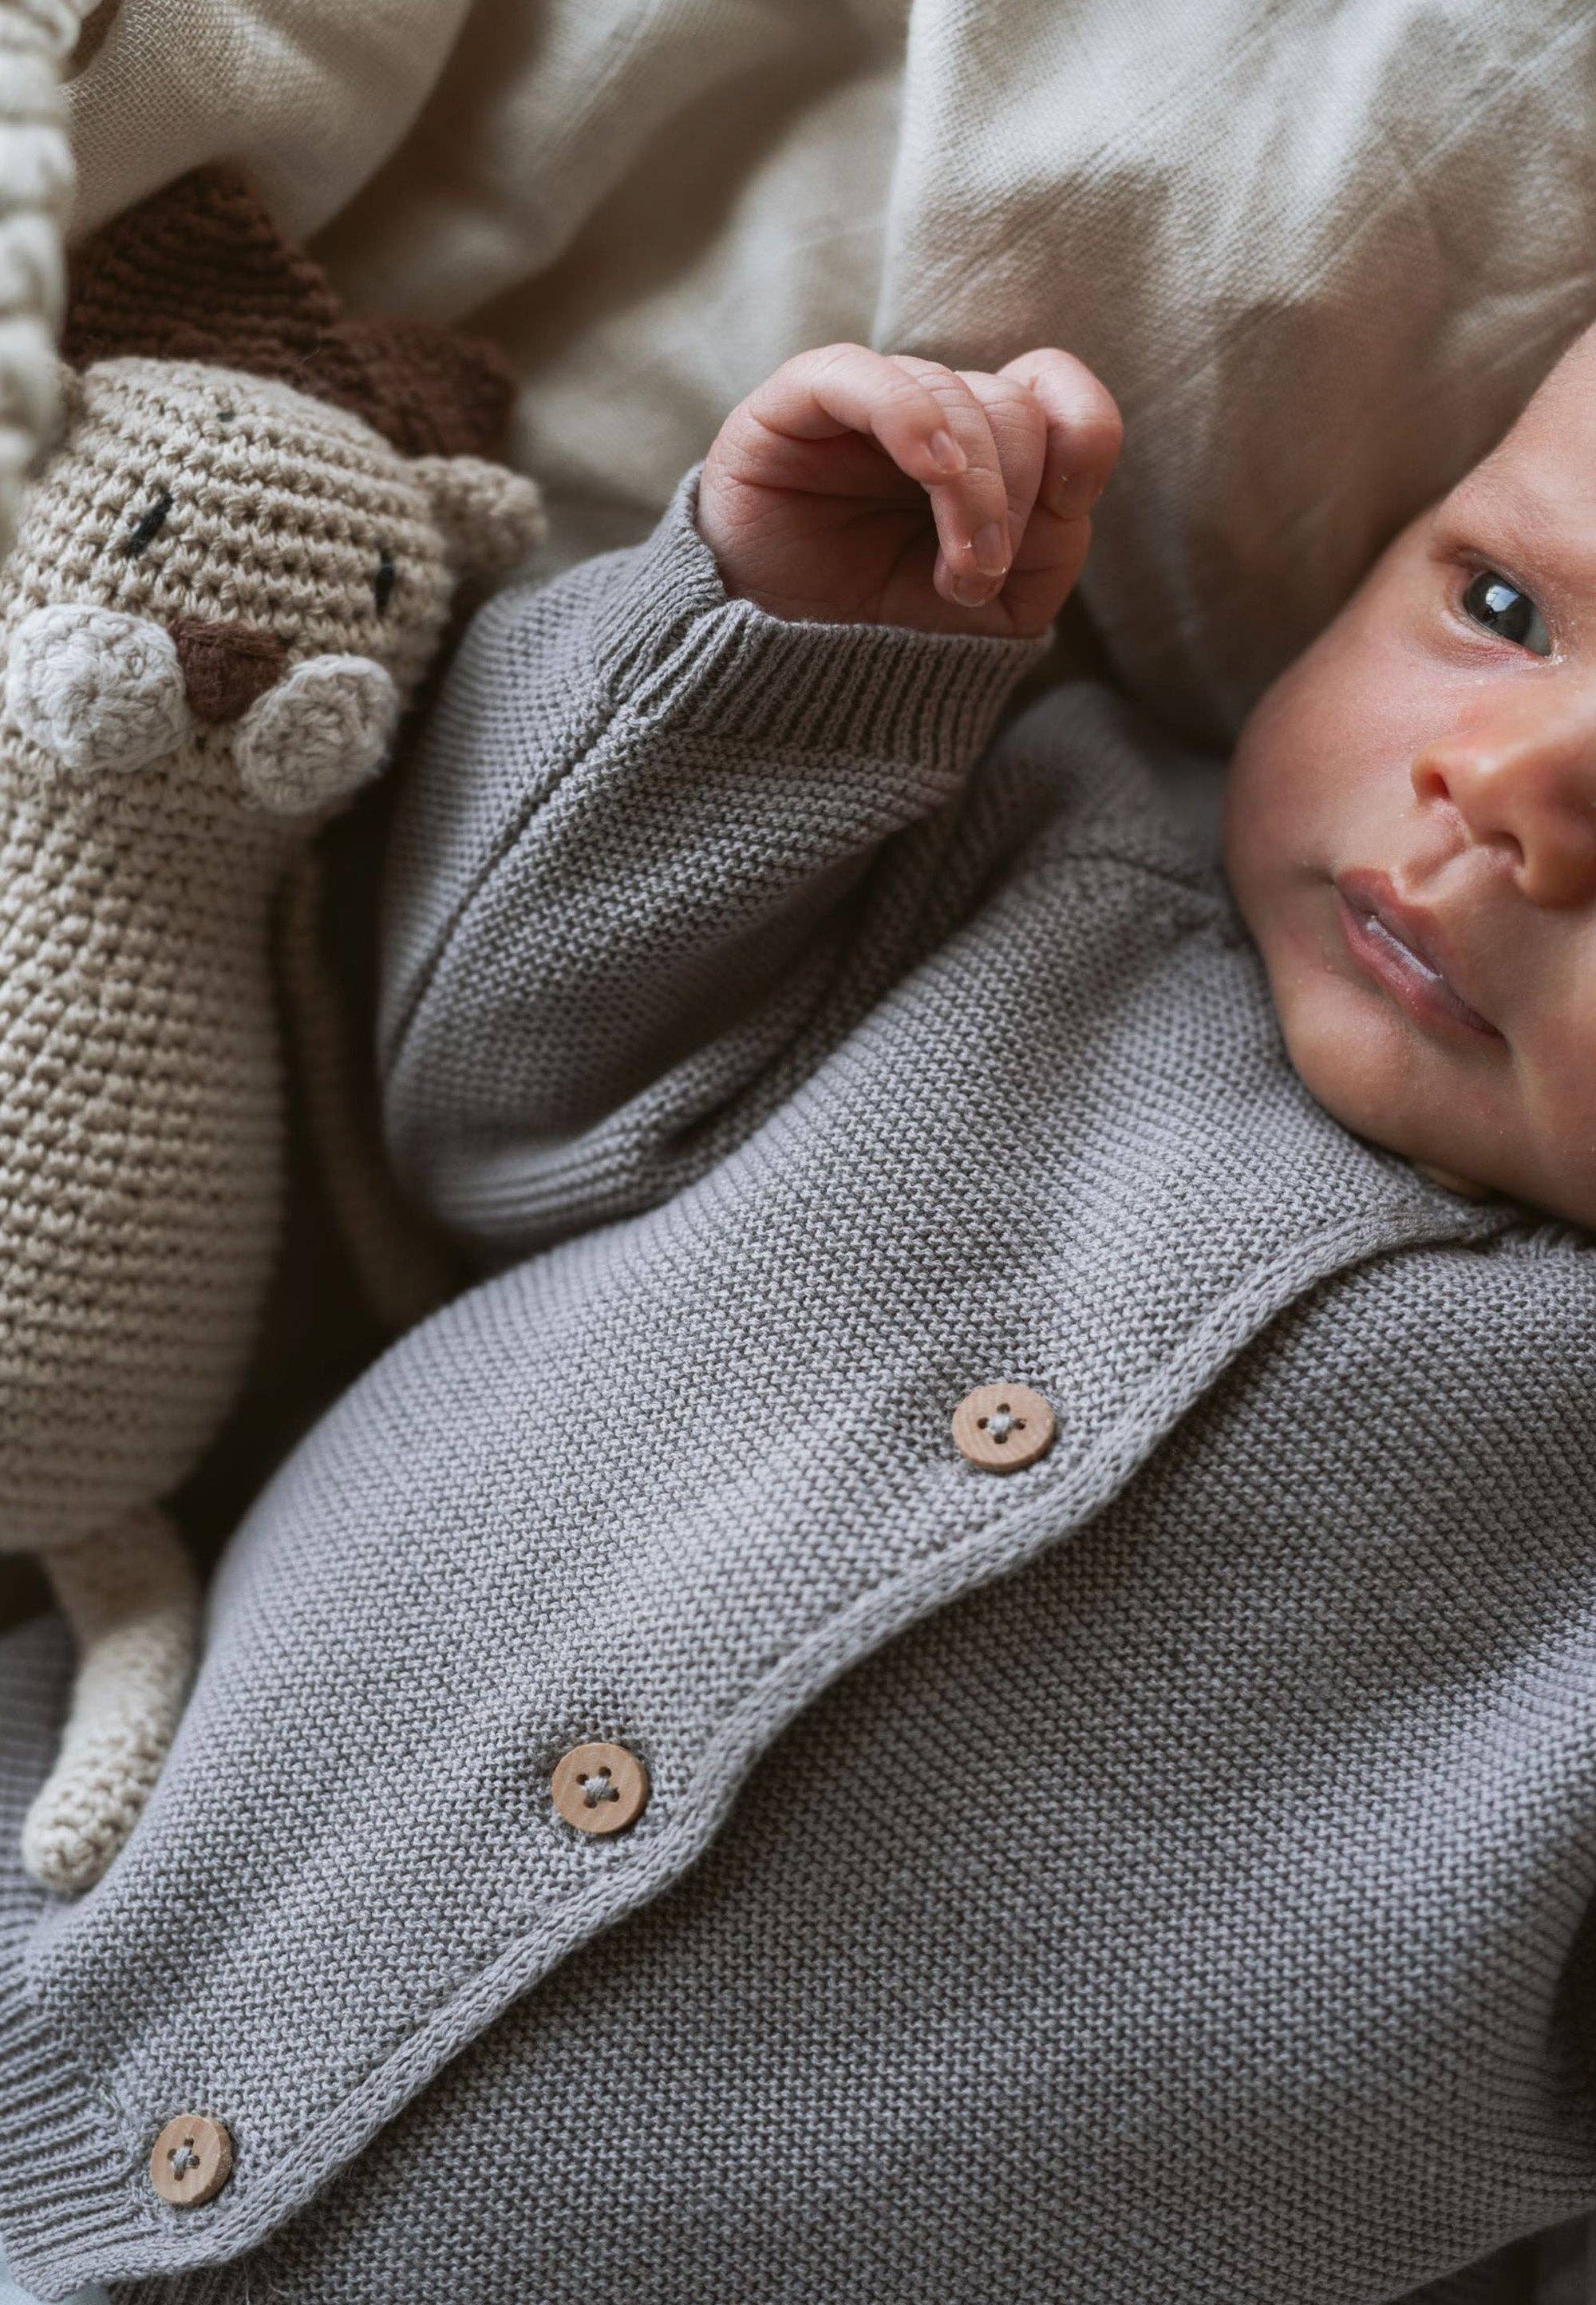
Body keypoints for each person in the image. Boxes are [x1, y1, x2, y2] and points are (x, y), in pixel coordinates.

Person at [3, 330, 1596, 2304]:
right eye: (1506, 607)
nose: (1505, 786)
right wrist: (782, 670)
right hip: (70, 1887)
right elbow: (493, 1109)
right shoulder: (1048, 864)